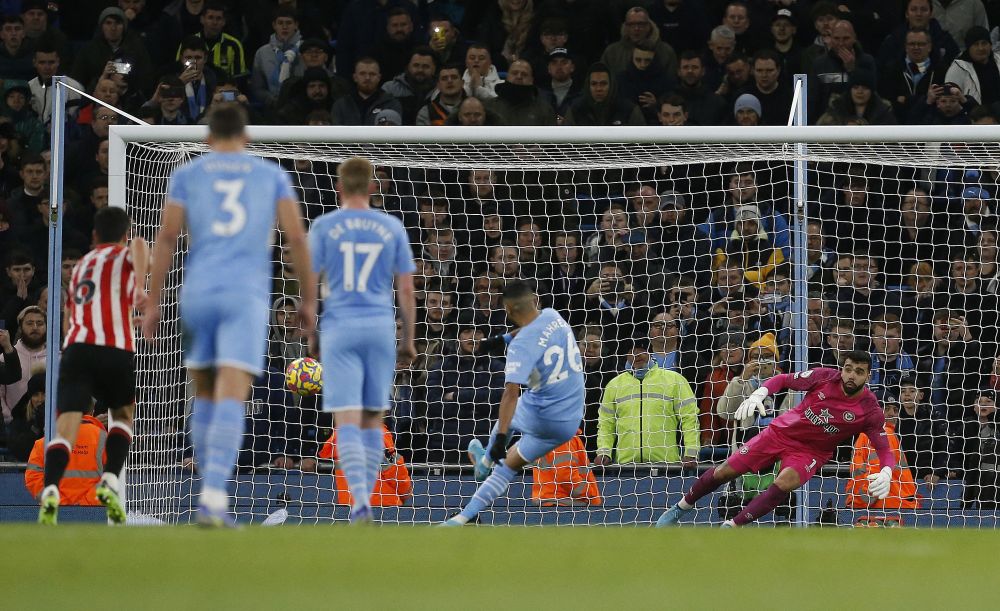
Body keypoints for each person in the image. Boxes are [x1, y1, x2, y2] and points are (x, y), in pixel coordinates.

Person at [142, 104, 317, 527]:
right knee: (232, 398)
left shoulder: (187, 175)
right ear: (247, 139)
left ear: (207, 141)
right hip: (245, 296)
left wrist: (153, 299)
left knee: (203, 394)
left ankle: (209, 495)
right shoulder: (270, 175)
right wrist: (309, 300)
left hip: (198, 293)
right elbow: (295, 237)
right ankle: (214, 498)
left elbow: (166, 237)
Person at [657, 351, 897, 527]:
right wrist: (760, 393)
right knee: (724, 472)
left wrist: (887, 471)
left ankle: (732, 526)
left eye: (859, 371)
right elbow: (783, 380)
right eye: (848, 368)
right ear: (842, 368)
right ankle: (680, 509)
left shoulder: (869, 409)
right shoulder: (824, 377)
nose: (851, 375)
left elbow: (884, 448)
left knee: (785, 482)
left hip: (811, 452)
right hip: (780, 433)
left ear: (868, 375)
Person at [308, 156, 416, 523]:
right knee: (372, 418)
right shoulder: (390, 226)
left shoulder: (324, 226)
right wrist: (410, 338)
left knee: (347, 420)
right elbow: (406, 288)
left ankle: (359, 502)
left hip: (340, 326)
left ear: (339, 187)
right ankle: (366, 498)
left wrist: (310, 330)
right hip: (378, 328)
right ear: (373, 187)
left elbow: (310, 283)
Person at [36, 208, 147, 525]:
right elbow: (142, 253)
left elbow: (71, 318)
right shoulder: (124, 255)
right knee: (124, 415)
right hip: (114, 349)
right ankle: (111, 478)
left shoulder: (81, 265)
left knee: (66, 426)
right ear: (124, 235)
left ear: (94, 236)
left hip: (76, 350)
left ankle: (52, 487)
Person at [443, 281, 584, 525]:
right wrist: (501, 339)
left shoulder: (520, 347)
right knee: (509, 466)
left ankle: (485, 461)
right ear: (535, 301)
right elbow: (534, 328)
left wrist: (500, 439)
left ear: (509, 311)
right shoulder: (553, 315)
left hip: (542, 413)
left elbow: (510, 392)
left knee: (510, 413)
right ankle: (462, 518)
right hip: (570, 421)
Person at [594, 340, 699, 467]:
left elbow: (690, 418)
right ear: (626, 356)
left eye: (641, 350)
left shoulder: (675, 380)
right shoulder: (614, 385)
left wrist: (691, 453)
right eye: (631, 351)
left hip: (667, 467)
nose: (636, 355)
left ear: (650, 352)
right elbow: (606, 423)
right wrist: (604, 452)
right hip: (625, 469)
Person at [25, 401, 107, 507]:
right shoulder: (105, 439)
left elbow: (32, 476)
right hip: (95, 512)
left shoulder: (47, 439)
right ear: (92, 411)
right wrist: (87, 503)